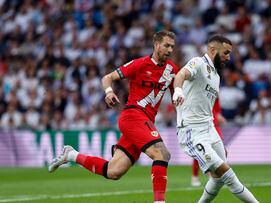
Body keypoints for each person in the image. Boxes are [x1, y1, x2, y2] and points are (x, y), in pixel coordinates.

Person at [48, 30, 179, 203]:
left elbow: (178, 97)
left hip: (145, 122)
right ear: (156, 44)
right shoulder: (139, 64)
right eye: (166, 45)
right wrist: (109, 92)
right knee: (162, 154)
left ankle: (71, 155)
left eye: (172, 47)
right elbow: (107, 78)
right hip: (133, 116)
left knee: (113, 171)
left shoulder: (172, 70)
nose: (170, 50)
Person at [173, 35, 259, 202]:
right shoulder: (198, 63)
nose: (228, 57)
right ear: (213, 50)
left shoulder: (216, 77)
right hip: (192, 131)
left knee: (218, 178)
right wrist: (178, 90)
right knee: (229, 176)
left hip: (209, 129)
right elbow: (181, 74)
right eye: (226, 53)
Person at [191, 98, 227, 187]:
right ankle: (195, 176)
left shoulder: (215, 87)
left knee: (222, 150)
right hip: (201, 122)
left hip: (214, 123)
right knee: (200, 150)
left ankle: (218, 176)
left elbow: (216, 102)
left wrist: (218, 114)